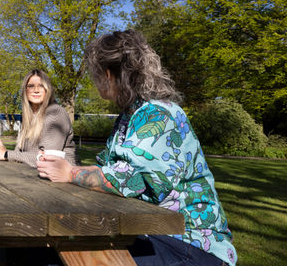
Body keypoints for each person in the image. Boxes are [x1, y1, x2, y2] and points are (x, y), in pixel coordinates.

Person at [36, 30, 236, 266]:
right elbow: (106, 169)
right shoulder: (128, 117)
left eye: (95, 73)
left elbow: (134, 180)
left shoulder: (158, 114)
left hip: (191, 244)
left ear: (109, 74)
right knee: (47, 253)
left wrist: (70, 173)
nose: (93, 79)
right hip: (148, 231)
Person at [0, 69, 76, 168]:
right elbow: (19, 153)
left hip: (62, 178)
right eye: (31, 86)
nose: (36, 90)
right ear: (25, 90)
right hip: (31, 175)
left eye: (41, 85)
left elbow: (47, 159)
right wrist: (1, 150)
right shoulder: (29, 116)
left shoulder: (55, 113)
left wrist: (6, 154)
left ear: (48, 89)